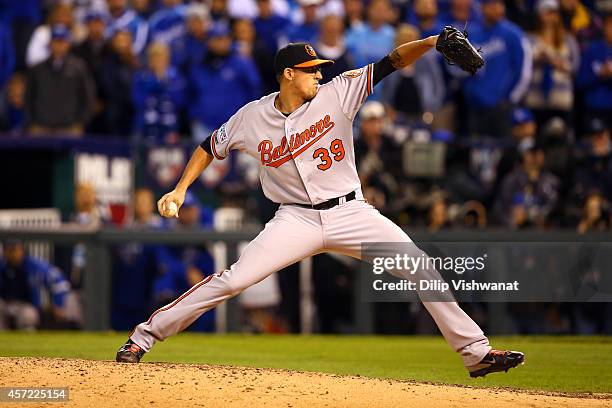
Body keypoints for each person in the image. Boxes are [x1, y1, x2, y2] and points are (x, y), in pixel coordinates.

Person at [116, 37, 525, 378]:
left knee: (420, 265)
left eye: (319, 68)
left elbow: (392, 61)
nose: (319, 74)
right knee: (234, 280)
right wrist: (180, 189)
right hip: (294, 218)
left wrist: (433, 41)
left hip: (351, 213)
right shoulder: (252, 116)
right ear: (288, 75)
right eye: (311, 69)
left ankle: (476, 354)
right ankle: (142, 338)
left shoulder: (339, 92)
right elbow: (209, 146)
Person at [459, 0, 532, 139]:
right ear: (483, 8)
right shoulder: (471, 33)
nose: (497, 8)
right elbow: (461, 69)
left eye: (499, 4)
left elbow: (524, 71)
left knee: (502, 151)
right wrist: (470, 93)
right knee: (476, 152)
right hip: (475, 106)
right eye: (492, 5)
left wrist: (510, 99)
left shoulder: (514, 34)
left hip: (501, 106)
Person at [25, 25, 96, 137]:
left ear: (68, 44)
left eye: (62, 41)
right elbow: (28, 97)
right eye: (56, 41)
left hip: (70, 127)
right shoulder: (38, 69)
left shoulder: (78, 68)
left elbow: (87, 96)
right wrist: (32, 121)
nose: (59, 45)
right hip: (41, 127)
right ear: (50, 44)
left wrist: (80, 121)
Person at [0, 240, 71, 330]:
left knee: (28, 316)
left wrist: (58, 304)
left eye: (15, 249)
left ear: (21, 250)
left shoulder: (33, 266)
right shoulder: (2, 266)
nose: (12, 254)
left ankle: (26, 342)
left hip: (26, 306)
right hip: (4, 305)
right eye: (9, 250)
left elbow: (60, 282)